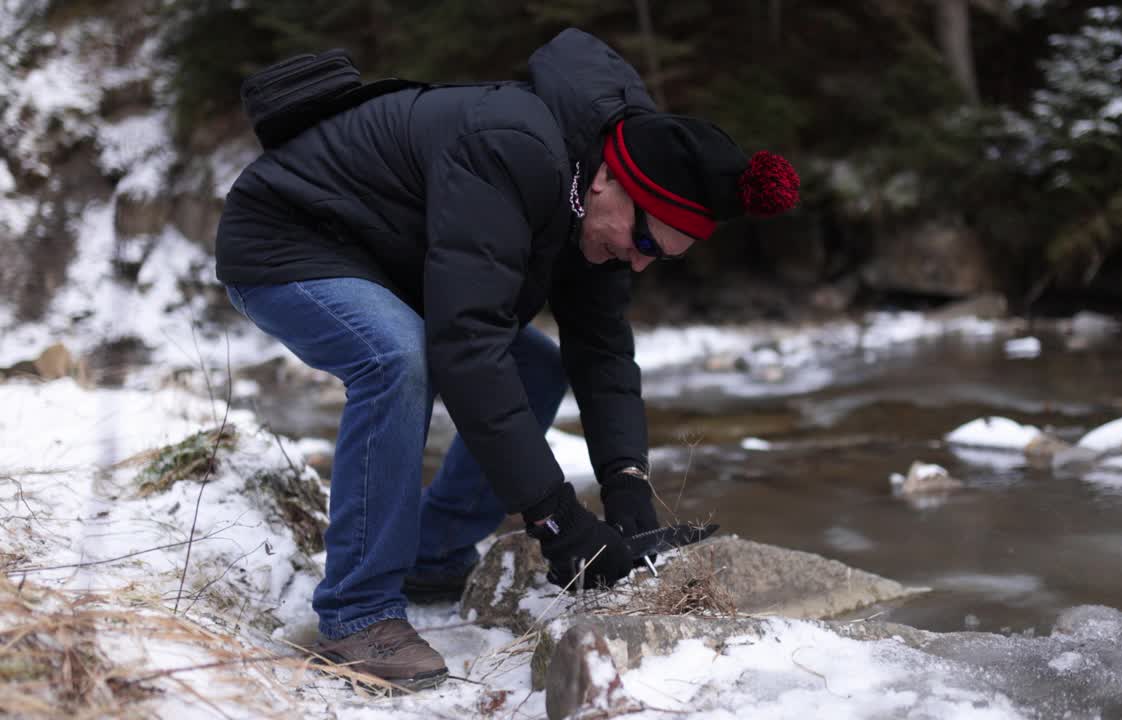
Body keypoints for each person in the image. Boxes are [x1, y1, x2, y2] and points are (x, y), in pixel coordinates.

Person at [215, 28, 799, 691]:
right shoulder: (512, 147)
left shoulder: (596, 212)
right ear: (611, 178)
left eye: (655, 255)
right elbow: (466, 347)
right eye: (641, 237)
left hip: (386, 261)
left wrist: (628, 492)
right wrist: (559, 522)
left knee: (538, 368)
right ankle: (357, 614)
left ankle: (432, 558)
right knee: (397, 358)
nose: (637, 259)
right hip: (286, 238)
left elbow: (602, 350)